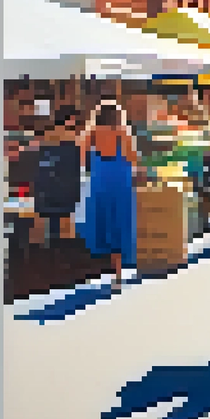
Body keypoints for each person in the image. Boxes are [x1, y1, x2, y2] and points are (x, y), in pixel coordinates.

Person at [82, 102, 139, 291]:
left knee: (103, 220)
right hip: (119, 180)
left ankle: (105, 267)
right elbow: (132, 157)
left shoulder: (91, 133)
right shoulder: (122, 132)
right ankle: (118, 274)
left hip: (100, 180)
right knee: (120, 222)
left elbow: (82, 157)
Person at [30, 106, 84, 248]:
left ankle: (49, 253)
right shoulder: (75, 139)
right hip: (66, 186)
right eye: (75, 120)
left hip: (46, 187)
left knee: (50, 222)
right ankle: (61, 254)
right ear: (70, 119)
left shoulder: (44, 136)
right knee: (65, 227)